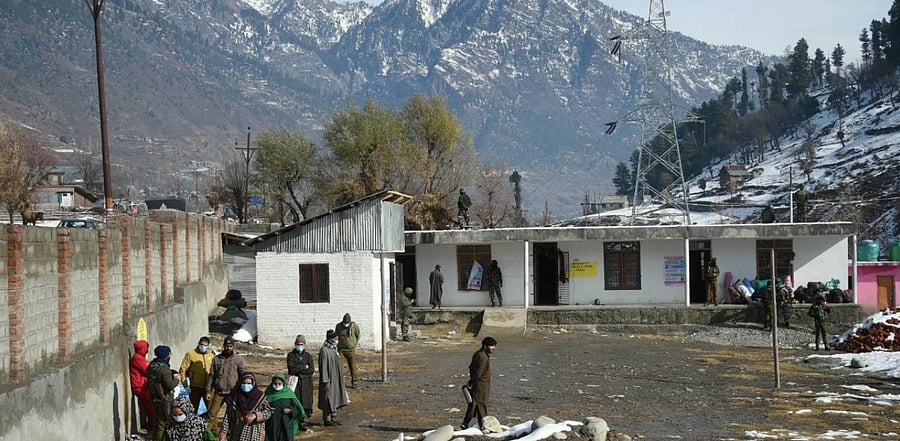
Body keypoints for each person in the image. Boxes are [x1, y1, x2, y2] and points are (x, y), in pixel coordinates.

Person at [206, 337, 247, 434]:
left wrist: (242, 391)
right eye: (226, 346)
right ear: (223, 346)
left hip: (233, 393)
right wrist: (208, 390)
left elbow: (244, 375)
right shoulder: (216, 359)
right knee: (211, 414)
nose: (228, 348)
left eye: (230, 346)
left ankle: (231, 434)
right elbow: (212, 375)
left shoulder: (239, 359)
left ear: (233, 347)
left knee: (232, 415)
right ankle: (208, 434)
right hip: (219, 392)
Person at [219, 373, 272, 441]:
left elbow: (268, 412)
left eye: (249, 383)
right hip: (237, 432)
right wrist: (223, 434)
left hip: (254, 432)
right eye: (244, 383)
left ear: (253, 384)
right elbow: (228, 417)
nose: (246, 385)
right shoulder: (235, 398)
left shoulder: (259, 397)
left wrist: (255, 415)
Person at [462, 336, 497, 431]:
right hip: (480, 385)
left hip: (480, 384)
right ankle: (483, 425)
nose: (494, 348)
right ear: (485, 346)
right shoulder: (482, 356)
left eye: (494, 346)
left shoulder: (480, 354)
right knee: (480, 404)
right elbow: (478, 372)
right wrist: (472, 382)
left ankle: (467, 423)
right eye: (491, 346)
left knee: (474, 404)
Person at [147, 345, 181, 441]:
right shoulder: (164, 368)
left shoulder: (151, 365)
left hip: (153, 396)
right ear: (167, 355)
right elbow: (169, 385)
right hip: (164, 398)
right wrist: (177, 380)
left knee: (156, 421)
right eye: (169, 354)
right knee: (163, 423)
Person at [318, 329, 350, 426]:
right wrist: (325, 380)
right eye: (336, 338)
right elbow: (323, 366)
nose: (337, 340)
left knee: (335, 397)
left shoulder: (333, 349)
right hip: (328, 379)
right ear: (331, 339)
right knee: (328, 399)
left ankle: (333, 416)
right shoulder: (324, 350)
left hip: (336, 378)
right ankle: (327, 419)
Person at [264, 373, 305, 441]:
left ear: (283, 383)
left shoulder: (288, 393)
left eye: (279, 384)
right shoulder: (268, 393)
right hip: (272, 423)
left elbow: (296, 407)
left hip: (286, 422)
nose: (277, 385)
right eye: (275, 383)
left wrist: (290, 410)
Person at [285, 335, 314, 429]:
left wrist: (300, 369)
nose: (300, 346)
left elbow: (311, 370)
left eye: (301, 344)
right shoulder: (291, 355)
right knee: (297, 400)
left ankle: (304, 419)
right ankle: (297, 420)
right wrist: (304, 367)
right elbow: (291, 369)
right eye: (298, 344)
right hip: (295, 382)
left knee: (306, 400)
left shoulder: (308, 356)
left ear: (304, 345)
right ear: (295, 344)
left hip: (306, 382)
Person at [179, 336, 215, 411]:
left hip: (208, 388)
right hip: (195, 387)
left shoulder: (211, 356)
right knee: (193, 408)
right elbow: (183, 369)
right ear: (198, 344)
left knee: (210, 409)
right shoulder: (191, 354)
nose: (203, 347)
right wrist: (185, 385)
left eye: (205, 345)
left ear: (208, 346)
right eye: (202, 345)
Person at [130, 340, 155, 428]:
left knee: (149, 405)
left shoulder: (139, 357)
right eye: (146, 348)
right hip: (140, 386)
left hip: (142, 385)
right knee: (150, 406)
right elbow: (146, 370)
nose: (147, 350)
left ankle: (152, 423)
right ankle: (152, 424)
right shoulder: (137, 358)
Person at [335, 313, 361, 388]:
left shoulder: (354, 326)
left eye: (347, 323)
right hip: (341, 350)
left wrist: (354, 343)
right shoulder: (338, 326)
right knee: (339, 367)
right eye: (345, 323)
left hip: (351, 350)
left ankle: (354, 382)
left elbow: (358, 335)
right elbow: (336, 336)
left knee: (353, 367)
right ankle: (339, 382)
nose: (346, 324)